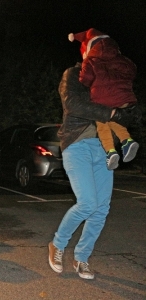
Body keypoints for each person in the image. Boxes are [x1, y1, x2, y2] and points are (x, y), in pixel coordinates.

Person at [48, 61, 142, 280]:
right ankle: (57, 244)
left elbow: (127, 109)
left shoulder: (109, 78)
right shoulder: (74, 74)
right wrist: (112, 112)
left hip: (104, 148)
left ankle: (82, 257)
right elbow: (74, 105)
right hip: (77, 144)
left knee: (101, 209)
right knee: (88, 203)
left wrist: (126, 110)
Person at [69, 28, 139, 170]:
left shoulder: (91, 59)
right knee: (114, 121)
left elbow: (85, 79)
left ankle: (110, 151)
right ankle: (127, 141)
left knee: (102, 123)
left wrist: (85, 79)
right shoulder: (122, 59)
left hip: (102, 98)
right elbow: (132, 71)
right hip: (124, 98)